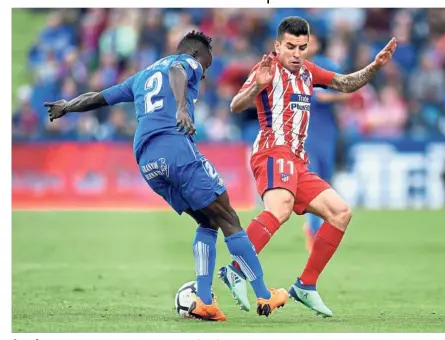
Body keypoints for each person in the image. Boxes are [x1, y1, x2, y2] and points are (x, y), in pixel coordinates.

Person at [44, 30, 288, 321]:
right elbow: (176, 69)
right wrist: (182, 108)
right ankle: (264, 294)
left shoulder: (140, 78)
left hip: (147, 161)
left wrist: (67, 106)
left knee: (207, 220)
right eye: (206, 66)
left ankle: (205, 301)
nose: (204, 74)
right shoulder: (187, 62)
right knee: (229, 217)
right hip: (174, 146)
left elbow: (99, 97)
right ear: (196, 55)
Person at [218, 17, 396, 317]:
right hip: (273, 150)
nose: (297, 53)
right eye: (290, 47)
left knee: (340, 213)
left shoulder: (308, 72)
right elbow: (235, 105)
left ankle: (306, 286)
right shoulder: (268, 68)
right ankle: (236, 270)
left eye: (302, 47)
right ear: (278, 45)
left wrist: (375, 66)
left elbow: (345, 83)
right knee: (280, 209)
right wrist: (255, 88)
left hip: (298, 160)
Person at [302, 32, 349, 251]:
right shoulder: (293, 66)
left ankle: (317, 226)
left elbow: (347, 90)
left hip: (326, 131)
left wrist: (327, 97)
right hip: (304, 132)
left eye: (310, 41)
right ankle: (313, 230)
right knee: (313, 180)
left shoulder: (326, 66)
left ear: (317, 44)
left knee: (326, 180)